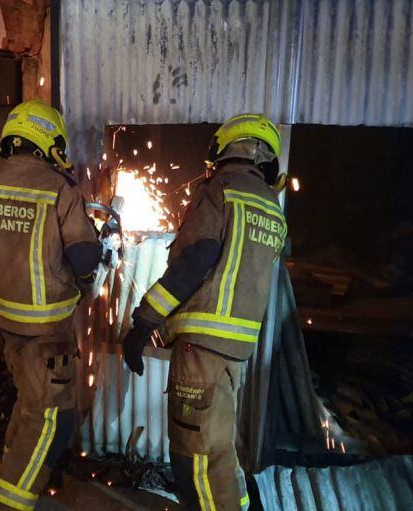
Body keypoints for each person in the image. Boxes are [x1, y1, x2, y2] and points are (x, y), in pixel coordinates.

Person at [122, 114, 288, 511]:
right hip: (236, 351)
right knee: (218, 449)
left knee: (192, 458)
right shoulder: (271, 206)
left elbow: (195, 259)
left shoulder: (220, 191)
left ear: (225, 149)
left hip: (202, 351)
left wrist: (144, 321)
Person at [0, 100, 102, 511]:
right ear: (48, 140)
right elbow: (84, 258)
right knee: (55, 418)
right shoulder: (58, 188)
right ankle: (11, 499)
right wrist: (92, 269)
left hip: (8, 321)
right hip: (49, 328)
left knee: (31, 405)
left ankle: (11, 470)